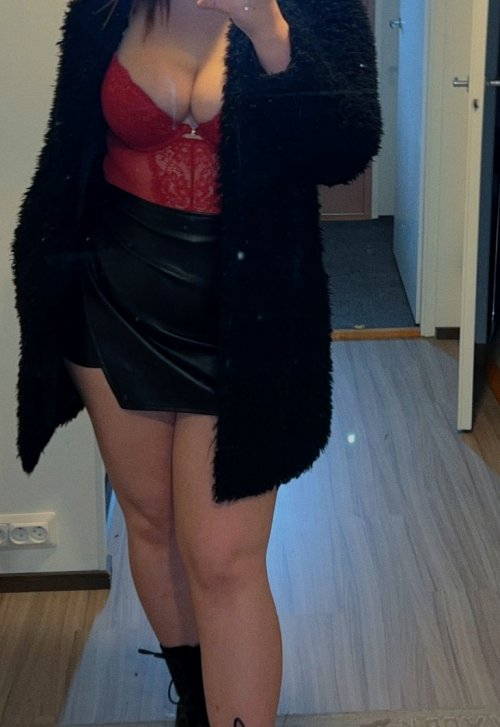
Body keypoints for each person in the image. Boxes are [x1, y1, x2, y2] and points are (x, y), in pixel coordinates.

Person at [11, 0, 381, 725]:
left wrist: (268, 31)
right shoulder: (107, 7)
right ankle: (196, 700)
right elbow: (70, 148)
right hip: (112, 303)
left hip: (248, 320)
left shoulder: (315, 10)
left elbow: (345, 149)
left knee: (224, 558)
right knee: (151, 523)